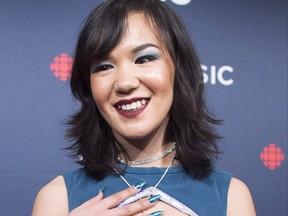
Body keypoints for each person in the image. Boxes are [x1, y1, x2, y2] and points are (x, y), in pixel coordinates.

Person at [32, 0, 256, 215]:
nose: (125, 83)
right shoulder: (57, 198)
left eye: (144, 58)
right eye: (104, 66)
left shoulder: (230, 196)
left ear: (179, 69)